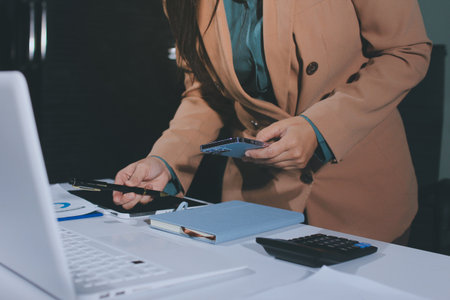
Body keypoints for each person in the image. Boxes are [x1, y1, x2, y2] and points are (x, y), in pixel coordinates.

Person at [113, 0, 431, 244]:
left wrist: (318, 128)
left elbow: (406, 50)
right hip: (258, 201)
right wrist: (167, 160)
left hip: (362, 196)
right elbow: (205, 93)